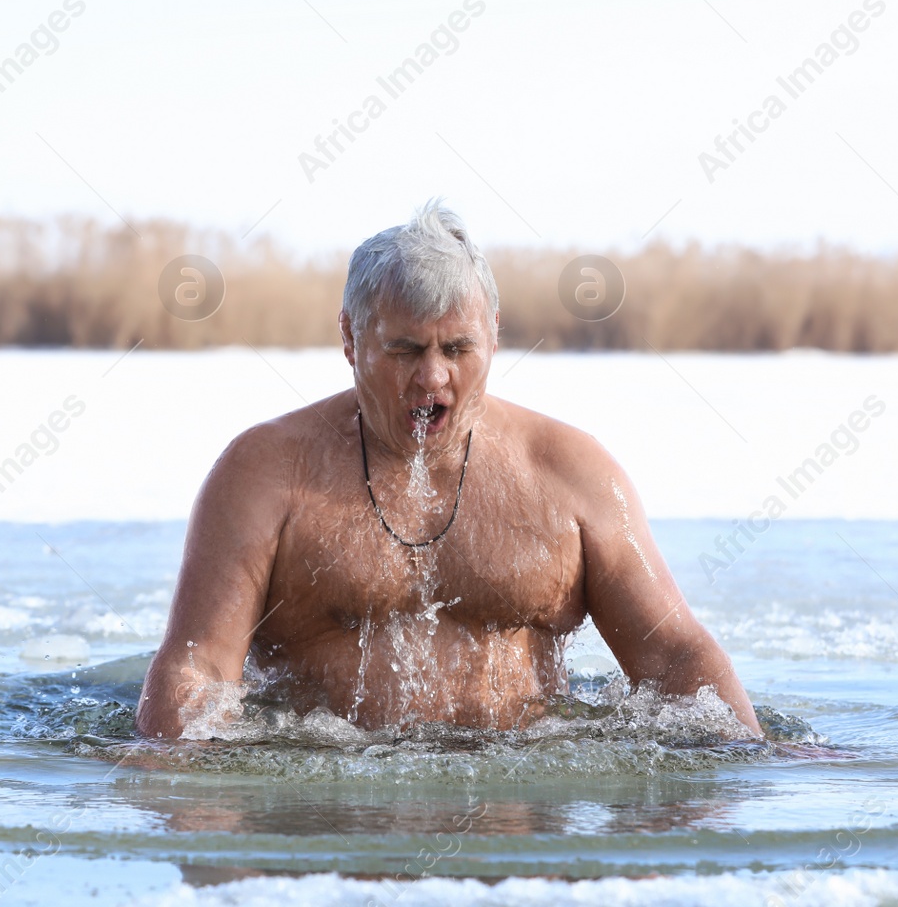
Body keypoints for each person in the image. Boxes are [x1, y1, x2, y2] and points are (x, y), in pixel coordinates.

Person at [135, 202, 761, 739]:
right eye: (404, 349)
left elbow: (674, 655)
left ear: (494, 335)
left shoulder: (571, 474)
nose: (433, 377)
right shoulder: (264, 475)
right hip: (329, 825)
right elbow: (201, 667)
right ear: (351, 339)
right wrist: (182, 781)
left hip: (517, 821)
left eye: (458, 348)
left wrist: (748, 759)